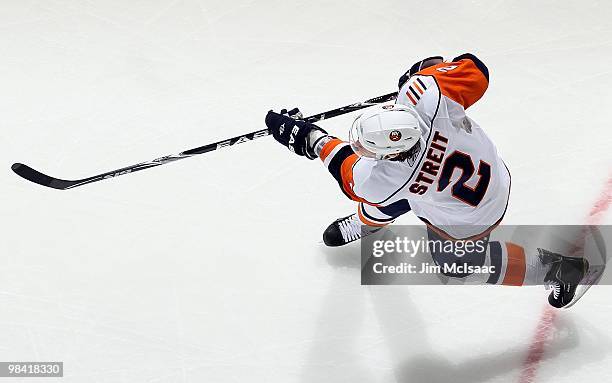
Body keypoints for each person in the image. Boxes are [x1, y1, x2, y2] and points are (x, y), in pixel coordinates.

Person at [264, 54, 588, 308]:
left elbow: (344, 164)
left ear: (389, 155)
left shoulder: (381, 179)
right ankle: (369, 224)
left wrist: (310, 137)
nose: (361, 149)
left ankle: (558, 269)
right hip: (490, 175)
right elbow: (477, 70)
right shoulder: (428, 97)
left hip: (470, 220)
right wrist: (433, 72)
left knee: (455, 265)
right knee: (402, 193)